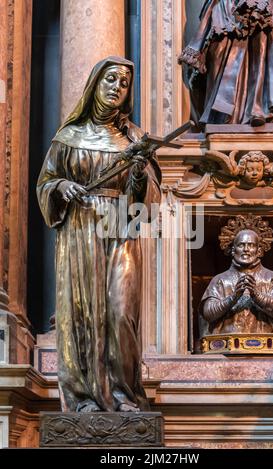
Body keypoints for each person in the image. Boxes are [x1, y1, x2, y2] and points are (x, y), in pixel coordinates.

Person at [37, 57, 161, 413]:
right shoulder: (68, 137)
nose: (116, 88)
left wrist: (138, 171)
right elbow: (46, 183)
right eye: (110, 79)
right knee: (82, 311)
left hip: (120, 228)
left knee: (120, 312)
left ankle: (123, 394)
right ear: (95, 83)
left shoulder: (133, 139)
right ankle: (85, 398)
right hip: (80, 230)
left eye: (123, 83)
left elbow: (148, 200)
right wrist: (62, 186)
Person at [179, 0, 273, 127]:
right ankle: (222, 115)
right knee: (220, 47)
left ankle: (258, 109)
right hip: (228, 7)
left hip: (267, 7)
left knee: (263, 42)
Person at [201, 225, 273, 334]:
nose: (246, 249)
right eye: (241, 245)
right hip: (227, 345)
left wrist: (257, 296)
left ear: (259, 251)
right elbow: (208, 313)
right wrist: (233, 298)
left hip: (266, 345)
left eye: (251, 245)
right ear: (233, 250)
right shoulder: (220, 280)